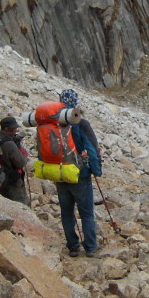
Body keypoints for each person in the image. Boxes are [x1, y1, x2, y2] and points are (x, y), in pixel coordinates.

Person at [58, 88, 101, 257]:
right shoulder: (81, 124)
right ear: (76, 102)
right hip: (79, 175)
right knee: (87, 213)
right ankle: (90, 247)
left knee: (66, 212)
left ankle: (73, 246)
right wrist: (96, 170)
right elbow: (92, 149)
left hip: (59, 173)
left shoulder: (53, 122)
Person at [0, 116, 29, 205]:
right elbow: (22, 162)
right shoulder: (9, 143)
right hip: (12, 178)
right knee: (21, 204)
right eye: (14, 128)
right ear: (6, 129)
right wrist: (23, 152)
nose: (16, 130)